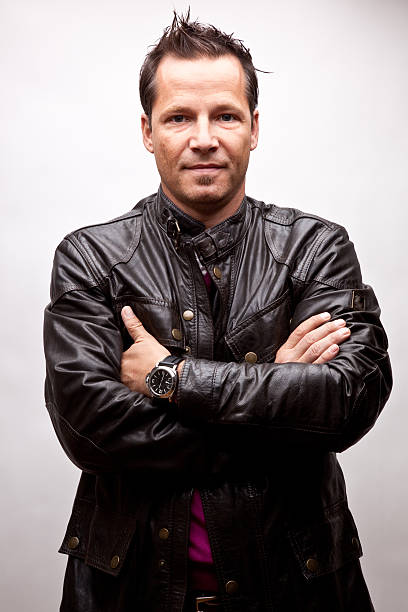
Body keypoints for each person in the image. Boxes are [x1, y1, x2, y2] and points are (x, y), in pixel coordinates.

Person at [43, 11, 392, 612]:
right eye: (180, 117)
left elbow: (348, 401)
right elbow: (89, 430)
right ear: (148, 131)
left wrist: (169, 378)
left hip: (298, 590)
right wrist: (278, 397)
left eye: (224, 115)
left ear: (253, 128)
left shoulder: (318, 248)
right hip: (131, 594)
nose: (203, 137)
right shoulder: (90, 257)